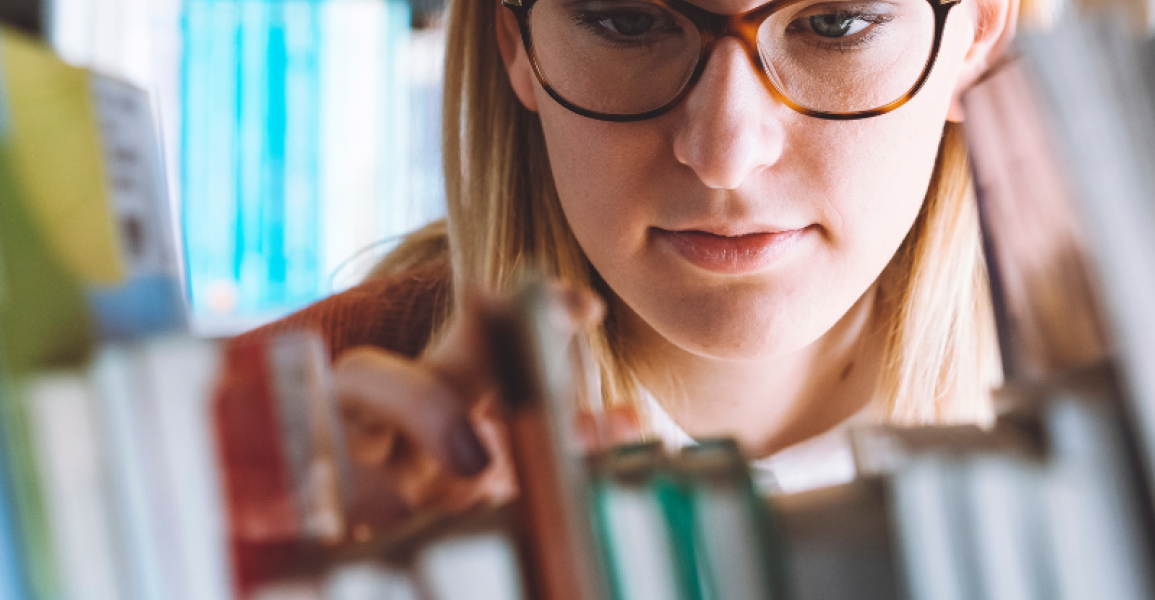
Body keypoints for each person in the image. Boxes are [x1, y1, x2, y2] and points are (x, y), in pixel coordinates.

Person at [214, 0, 1017, 532]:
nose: (725, 154)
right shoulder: (259, 458)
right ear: (516, 42)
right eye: (631, 20)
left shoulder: (1124, 405)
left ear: (978, 31)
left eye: (836, 23)